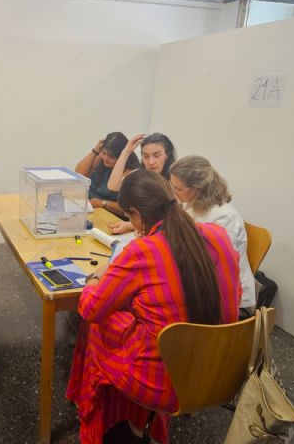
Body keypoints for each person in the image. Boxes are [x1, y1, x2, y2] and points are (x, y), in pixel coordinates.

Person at [66, 169, 241, 444]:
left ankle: (107, 415)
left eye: (129, 217)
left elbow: (91, 309)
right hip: (220, 369)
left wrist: (93, 281)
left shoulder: (143, 251)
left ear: (135, 213)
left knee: (98, 324)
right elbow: (230, 307)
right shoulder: (218, 236)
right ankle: (139, 423)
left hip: (164, 381)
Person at [169, 155, 256, 314]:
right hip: (201, 281)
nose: (173, 192)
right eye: (172, 185)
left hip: (230, 299)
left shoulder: (223, 217)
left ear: (197, 189)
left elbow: (211, 265)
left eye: (178, 189)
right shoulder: (191, 202)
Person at [107, 132, 177, 234]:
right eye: (145, 156)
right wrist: (126, 151)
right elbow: (113, 186)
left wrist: (133, 226)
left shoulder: (176, 182)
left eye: (157, 155)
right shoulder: (141, 176)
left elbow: (175, 221)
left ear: (167, 155)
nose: (150, 162)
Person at [75, 132, 140, 216]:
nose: (106, 159)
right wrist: (96, 150)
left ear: (121, 156)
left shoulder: (130, 173)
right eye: (104, 153)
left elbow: (129, 209)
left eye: (111, 156)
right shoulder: (101, 162)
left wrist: (104, 203)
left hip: (109, 215)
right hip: (89, 208)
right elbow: (79, 174)